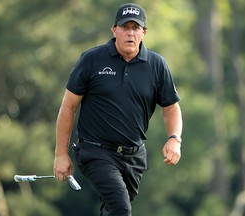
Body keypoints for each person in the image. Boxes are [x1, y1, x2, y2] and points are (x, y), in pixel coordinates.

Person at [53, 3, 183, 216]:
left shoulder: (157, 65)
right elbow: (68, 107)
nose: (130, 33)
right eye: (125, 27)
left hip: (134, 157)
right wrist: (61, 154)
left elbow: (171, 108)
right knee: (121, 209)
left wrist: (174, 139)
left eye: (135, 27)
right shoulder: (92, 60)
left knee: (113, 210)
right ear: (114, 30)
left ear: (144, 32)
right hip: (96, 151)